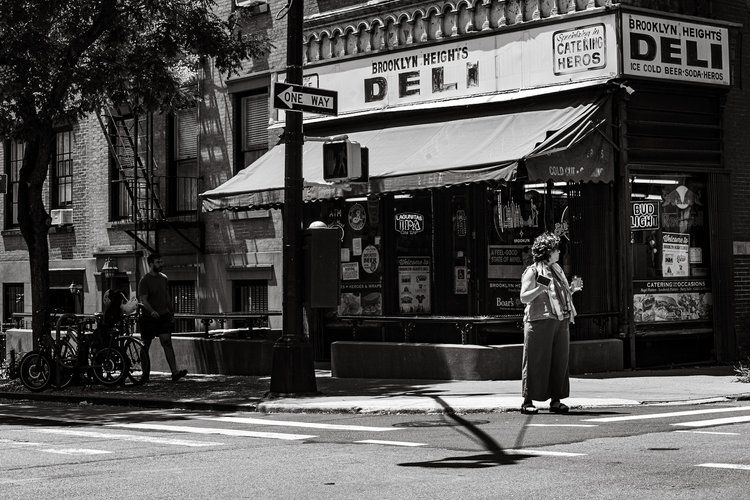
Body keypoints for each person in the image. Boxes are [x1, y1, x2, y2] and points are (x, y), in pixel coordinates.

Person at [519, 232, 583, 415]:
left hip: (560, 320)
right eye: (556, 249)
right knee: (536, 361)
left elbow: (560, 294)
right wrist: (539, 288)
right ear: (547, 251)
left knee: (559, 361)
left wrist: (572, 289)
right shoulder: (533, 271)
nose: (559, 252)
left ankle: (556, 400)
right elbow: (523, 297)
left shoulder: (557, 270)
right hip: (539, 321)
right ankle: (527, 400)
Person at [138, 253, 188, 382]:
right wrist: (152, 311)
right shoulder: (145, 280)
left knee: (167, 342)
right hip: (149, 317)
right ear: (151, 264)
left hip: (163, 315)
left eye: (161, 262)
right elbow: (144, 300)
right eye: (158, 262)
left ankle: (175, 372)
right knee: (145, 345)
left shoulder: (164, 278)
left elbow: (167, 297)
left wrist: (171, 312)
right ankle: (145, 375)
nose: (161, 264)